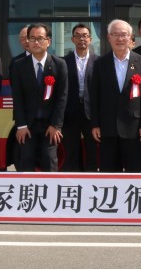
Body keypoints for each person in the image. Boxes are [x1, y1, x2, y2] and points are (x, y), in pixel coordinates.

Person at [91, 19, 141, 172]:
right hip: (107, 126)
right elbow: (94, 96)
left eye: (124, 35)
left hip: (133, 126)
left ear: (131, 37)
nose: (119, 39)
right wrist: (95, 124)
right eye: (115, 35)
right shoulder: (100, 63)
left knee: (134, 170)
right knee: (109, 171)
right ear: (108, 37)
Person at [10, 23, 68, 172]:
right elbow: (17, 97)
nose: (36, 42)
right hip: (28, 125)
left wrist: (55, 125)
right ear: (27, 41)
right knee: (26, 161)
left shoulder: (59, 64)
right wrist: (21, 125)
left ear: (48, 41)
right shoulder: (19, 65)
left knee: (50, 161)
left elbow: (62, 97)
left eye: (40, 38)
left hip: (50, 125)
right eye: (32, 38)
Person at [61, 24, 98, 172]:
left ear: (90, 39)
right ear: (72, 39)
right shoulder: (63, 61)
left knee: (92, 150)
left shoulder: (99, 62)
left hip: (91, 112)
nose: (81, 38)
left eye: (85, 35)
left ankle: (91, 180)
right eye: (78, 35)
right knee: (71, 149)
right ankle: (72, 182)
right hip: (70, 111)